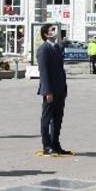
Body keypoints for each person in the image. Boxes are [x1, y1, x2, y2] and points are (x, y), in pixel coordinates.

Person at [37, 24, 71, 156]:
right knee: (47, 119)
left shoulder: (56, 47)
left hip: (60, 89)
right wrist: (47, 91)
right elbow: (44, 72)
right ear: (46, 34)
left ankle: (56, 144)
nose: (55, 31)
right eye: (52, 29)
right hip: (50, 90)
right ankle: (47, 146)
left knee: (58, 118)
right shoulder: (43, 49)